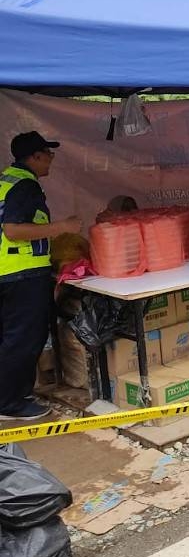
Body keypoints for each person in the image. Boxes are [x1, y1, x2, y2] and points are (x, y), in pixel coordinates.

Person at [0, 132, 82, 420]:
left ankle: (10, 396)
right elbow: (13, 230)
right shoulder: (25, 186)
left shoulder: (6, 180)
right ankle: (10, 404)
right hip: (21, 274)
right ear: (34, 156)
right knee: (23, 338)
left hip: (8, 272)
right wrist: (62, 226)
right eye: (48, 153)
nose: (51, 159)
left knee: (10, 338)